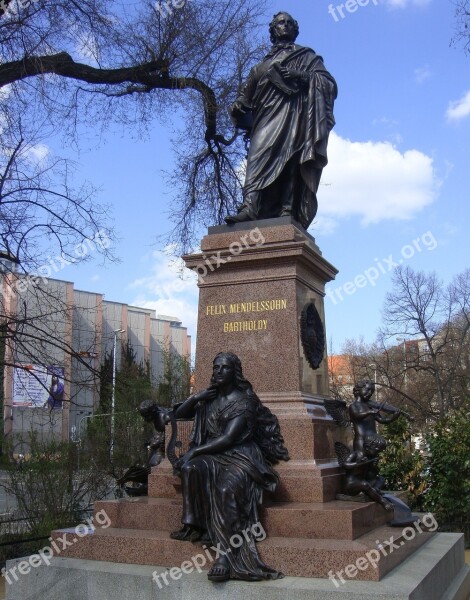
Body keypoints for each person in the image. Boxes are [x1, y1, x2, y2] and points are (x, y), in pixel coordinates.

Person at [170, 352, 288, 582]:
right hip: (214, 455)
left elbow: (228, 438)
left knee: (225, 490)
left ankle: (225, 555)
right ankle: (195, 526)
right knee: (190, 469)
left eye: (224, 368)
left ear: (235, 372)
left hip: (240, 455)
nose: (218, 372)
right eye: (215, 367)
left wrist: (194, 450)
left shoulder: (244, 401)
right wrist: (196, 397)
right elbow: (178, 415)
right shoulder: (209, 398)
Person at [225, 12, 337, 228]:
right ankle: (251, 206)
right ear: (273, 30)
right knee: (256, 159)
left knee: (289, 160)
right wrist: (238, 105)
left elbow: (328, 84)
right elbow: (244, 97)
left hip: (294, 118)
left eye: (288, 23)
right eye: (279, 23)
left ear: (294, 29)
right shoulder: (259, 67)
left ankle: (287, 208)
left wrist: (300, 76)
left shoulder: (307, 58)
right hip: (265, 122)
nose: (284, 26)